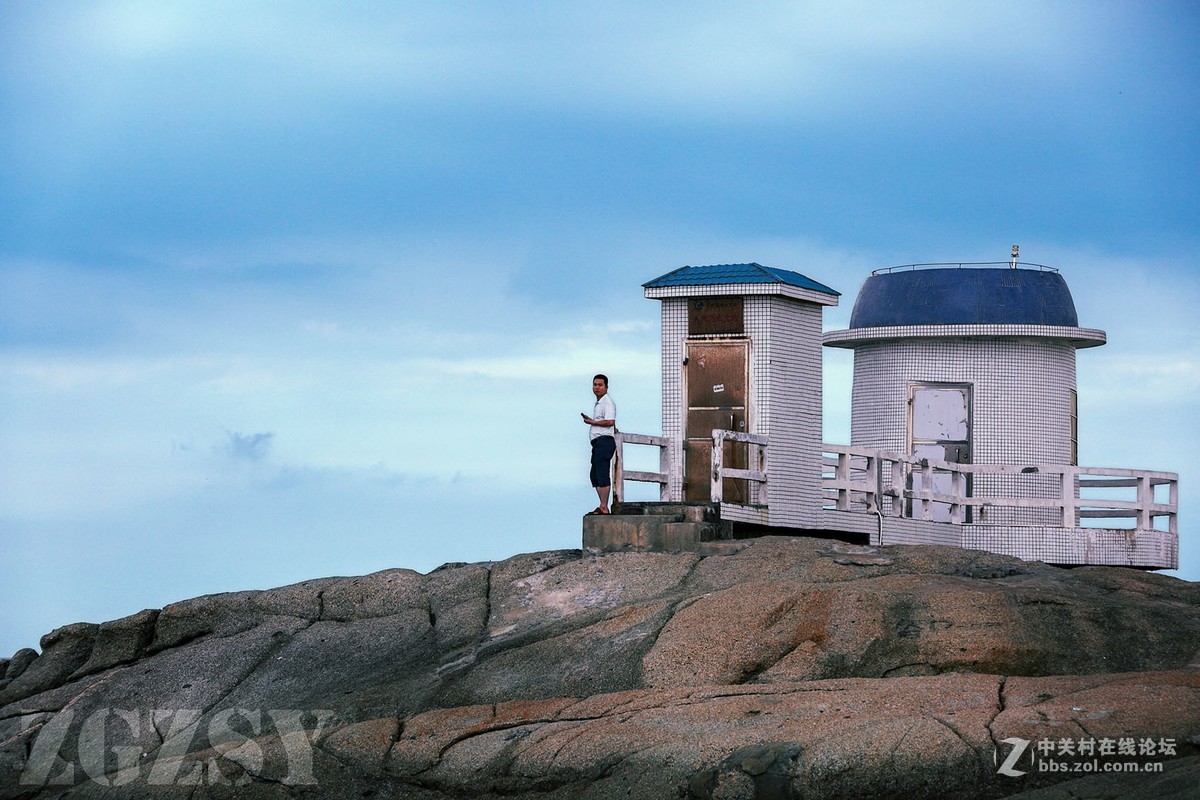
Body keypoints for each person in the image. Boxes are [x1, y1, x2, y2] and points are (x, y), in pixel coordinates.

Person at [581, 373, 616, 514]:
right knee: (595, 475)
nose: (597, 387)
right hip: (598, 443)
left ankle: (603, 506)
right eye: (595, 384)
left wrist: (592, 422)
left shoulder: (607, 402)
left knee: (602, 474)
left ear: (606, 387)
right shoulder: (600, 403)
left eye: (600, 385)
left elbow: (610, 421)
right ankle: (602, 505)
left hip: (604, 442)